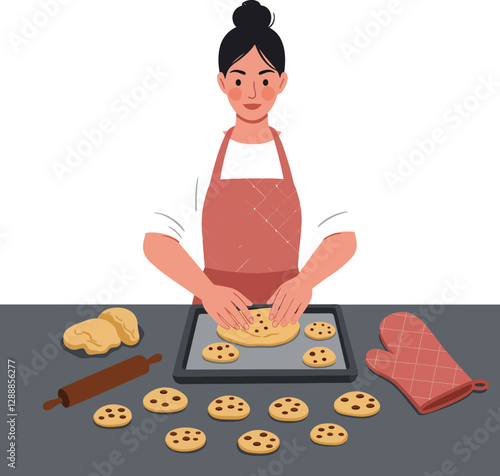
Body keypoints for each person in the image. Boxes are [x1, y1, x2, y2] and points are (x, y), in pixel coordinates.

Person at [143, 0, 356, 331]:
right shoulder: (202, 152)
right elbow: (157, 240)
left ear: (282, 83)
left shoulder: (302, 152)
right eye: (239, 80)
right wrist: (207, 291)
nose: (253, 92)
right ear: (222, 82)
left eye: (266, 80)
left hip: (284, 314)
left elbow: (342, 238)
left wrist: (304, 282)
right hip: (213, 314)